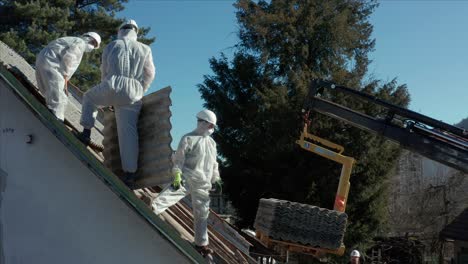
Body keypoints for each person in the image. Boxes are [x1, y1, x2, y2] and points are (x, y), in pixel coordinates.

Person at [78, 19, 155, 185]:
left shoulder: (112, 45)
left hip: (112, 84)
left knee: (89, 98)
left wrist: (106, 92)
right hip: (133, 91)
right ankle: (130, 175)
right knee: (128, 133)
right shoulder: (145, 48)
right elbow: (150, 73)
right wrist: (141, 90)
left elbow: (104, 71)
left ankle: (85, 133)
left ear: (121, 30)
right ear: (136, 31)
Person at [152, 110, 222, 257]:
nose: (211, 129)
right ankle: (152, 208)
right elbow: (179, 159)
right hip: (187, 177)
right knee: (172, 193)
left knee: (202, 213)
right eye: (209, 125)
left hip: (203, 183)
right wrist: (177, 173)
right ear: (201, 122)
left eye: (212, 126)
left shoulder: (212, 143)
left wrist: (216, 178)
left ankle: (201, 244)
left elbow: (214, 163)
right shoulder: (188, 138)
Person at [35, 32, 101, 121]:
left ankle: (49, 112)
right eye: (93, 43)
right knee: (60, 99)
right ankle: (57, 120)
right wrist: (66, 74)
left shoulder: (72, 39)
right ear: (88, 38)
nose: (92, 46)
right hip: (53, 64)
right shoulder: (80, 42)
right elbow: (70, 58)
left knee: (47, 91)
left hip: (43, 60)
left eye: (94, 45)